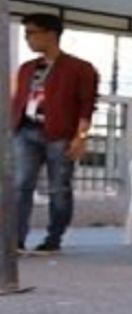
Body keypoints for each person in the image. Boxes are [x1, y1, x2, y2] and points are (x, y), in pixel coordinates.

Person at [8, 13, 99, 252]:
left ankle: (53, 237)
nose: (27, 39)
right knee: (20, 184)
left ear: (50, 34)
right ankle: (14, 239)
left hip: (59, 134)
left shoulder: (80, 68)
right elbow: (15, 98)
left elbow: (86, 105)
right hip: (25, 130)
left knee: (59, 187)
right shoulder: (26, 68)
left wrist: (80, 137)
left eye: (31, 33)